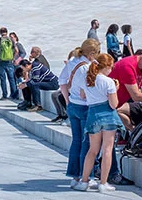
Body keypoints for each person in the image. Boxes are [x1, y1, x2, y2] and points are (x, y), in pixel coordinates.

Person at [73, 53, 121, 192]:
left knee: (92, 150)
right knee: (107, 149)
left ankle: (84, 181)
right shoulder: (108, 82)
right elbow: (114, 104)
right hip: (108, 116)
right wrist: (116, 90)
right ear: (105, 66)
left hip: (93, 115)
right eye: (110, 67)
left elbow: (82, 96)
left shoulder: (88, 80)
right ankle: (103, 183)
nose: (111, 70)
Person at [60, 39, 99, 185]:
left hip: (72, 106)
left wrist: (67, 100)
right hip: (84, 106)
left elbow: (62, 81)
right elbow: (85, 92)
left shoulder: (72, 62)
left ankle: (74, 175)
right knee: (86, 142)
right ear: (91, 53)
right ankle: (86, 176)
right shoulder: (86, 67)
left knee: (76, 141)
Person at [0, 28, 18, 100]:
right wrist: (13, 57)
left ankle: (4, 95)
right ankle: (14, 95)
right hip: (10, 61)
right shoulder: (11, 39)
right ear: (6, 32)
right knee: (12, 79)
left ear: (0, 33)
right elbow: (17, 50)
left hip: (1, 62)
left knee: (3, 79)